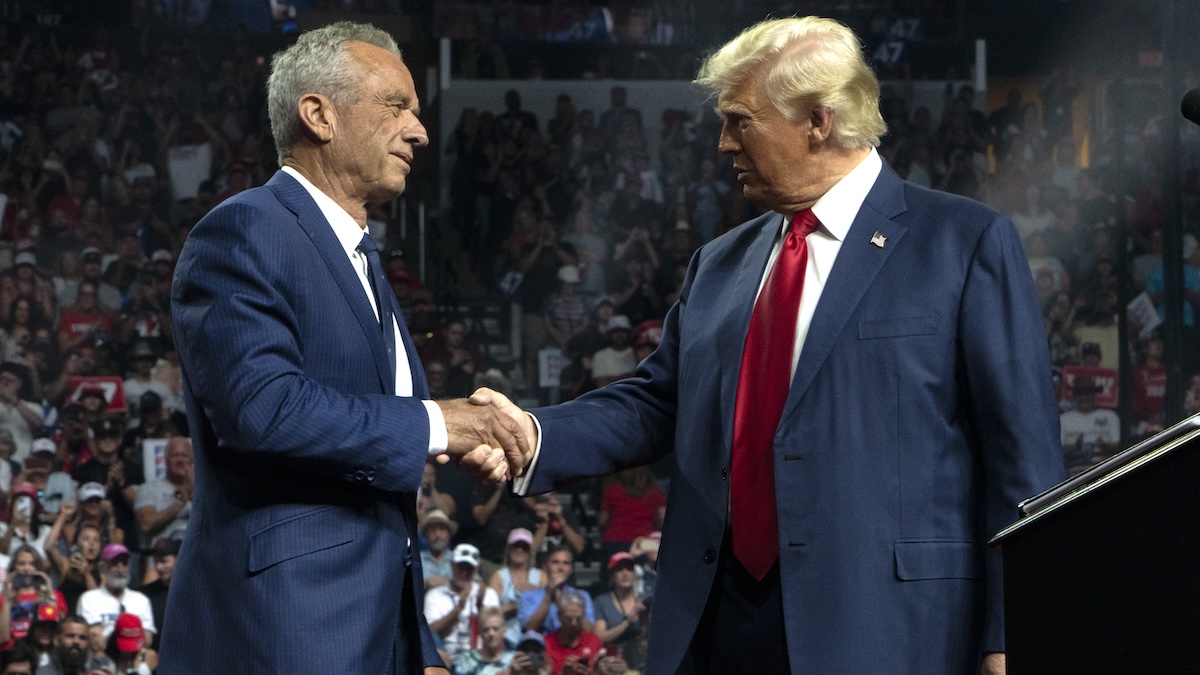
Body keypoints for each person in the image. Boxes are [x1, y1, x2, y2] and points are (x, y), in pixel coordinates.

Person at [486, 16, 1064, 674]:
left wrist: (1011, 632)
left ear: (818, 120)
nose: (723, 143)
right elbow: (655, 405)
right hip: (723, 627)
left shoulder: (963, 243)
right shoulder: (720, 264)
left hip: (893, 632)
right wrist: (530, 435)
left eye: (739, 120)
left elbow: (1024, 462)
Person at [162, 21, 528, 675]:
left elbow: (376, 494)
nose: (419, 130)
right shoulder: (248, 228)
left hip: (373, 637)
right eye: (397, 106)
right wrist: (442, 422)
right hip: (281, 629)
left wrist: (419, 643)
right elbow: (264, 409)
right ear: (318, 114)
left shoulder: (361, 260)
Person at [422, 544, 500, 662]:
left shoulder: (488, 594)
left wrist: (480, 608)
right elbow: (430, 635)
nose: (464, 572)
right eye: (461, 566)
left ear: (477, 569)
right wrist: (458, 609)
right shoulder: (434, 595)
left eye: (469, 568)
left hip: (480, 658)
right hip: (446, 658)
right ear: (452, 565)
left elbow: (495, 634)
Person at [75, 544, 154, 641]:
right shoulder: (89, 599)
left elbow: (147, 640)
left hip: (135, 654)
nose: (120, 570)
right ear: (102, 567)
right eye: (115, 564)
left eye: (124, 564)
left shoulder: (141, 600)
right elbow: (95, 639)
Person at [486, 527, 542, 648]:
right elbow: (490, 612)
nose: (520, 550)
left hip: (536, 637)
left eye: (524, 547)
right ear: (509, 549)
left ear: (530, 551)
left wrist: (536, 591)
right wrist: (517, 606)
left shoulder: (541, 576)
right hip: (506, 636)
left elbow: (548, 604)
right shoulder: (498, 576)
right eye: (516, 546)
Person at [542, 591, 603, 675]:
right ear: (559, 616)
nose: (574, 623)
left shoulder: (594, 641)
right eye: (569, 619)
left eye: (578, 619)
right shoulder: (546, 643)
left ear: (584, 616)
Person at [450, 607, 510, 675]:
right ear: (480, 633)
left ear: (503, 632)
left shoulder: (512, 660)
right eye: (486, 630)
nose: (491, 634)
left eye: (495, 629)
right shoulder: (467, 660)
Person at [419, 509, 457, 590]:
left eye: (442, 529)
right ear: (426, 535)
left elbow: (476, 586)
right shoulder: (416, 560)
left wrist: (448, 584)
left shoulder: (458, 560)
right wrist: (425, 584)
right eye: (432, 529)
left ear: (449, 534)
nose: (437, 534)